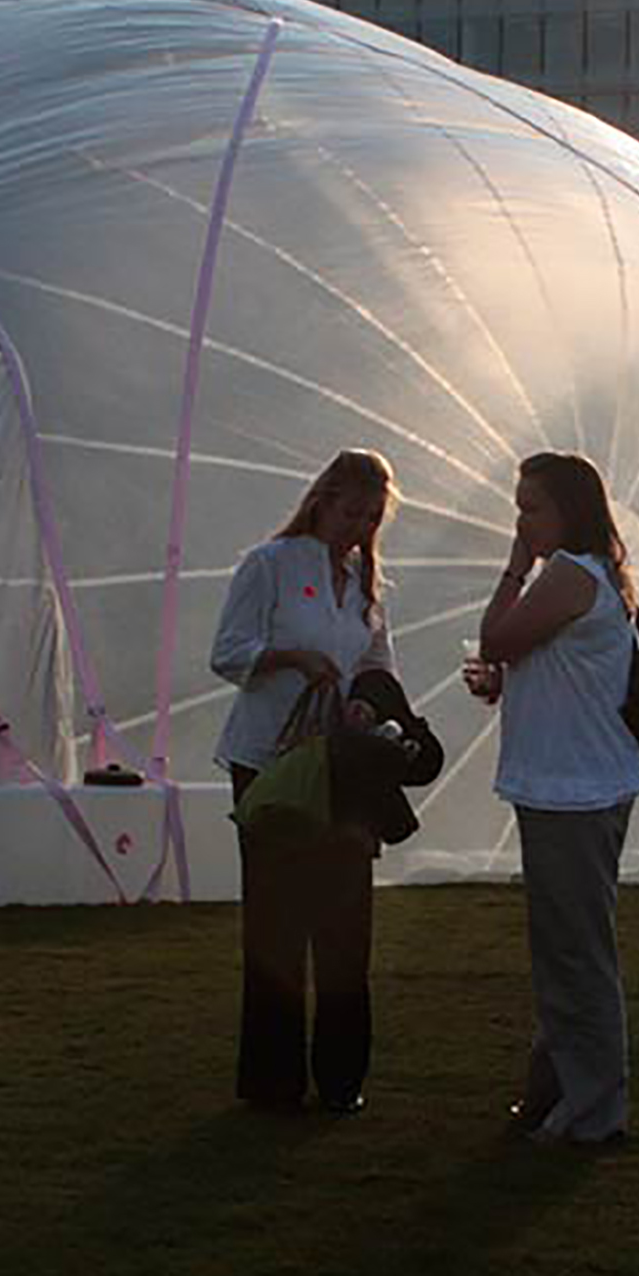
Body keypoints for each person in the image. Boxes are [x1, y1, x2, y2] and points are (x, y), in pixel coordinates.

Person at [210, 450, 400, 1113]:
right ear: (323, 500)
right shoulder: (270, 564)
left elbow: (378, 664)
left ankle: (343, 1078)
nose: (358, 526)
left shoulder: (363, 580)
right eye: (351, 511)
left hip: (340, 764)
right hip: (271, 760)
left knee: (347, 923)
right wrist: (294, 658)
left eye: (371, 517)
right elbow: (227, 651)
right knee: (276, 926)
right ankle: (272, 1081)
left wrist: (366, 703)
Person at [464, 451, 639, 1147]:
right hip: (568, 783)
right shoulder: (584, 575)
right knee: (562, 949)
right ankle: (552, 1092)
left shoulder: (568, 573)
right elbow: (541, 663)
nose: (521, 520)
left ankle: (594, 1110)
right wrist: (505, 683)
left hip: (576, 788)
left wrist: (513, 566)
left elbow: (498, 636)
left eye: (532, 507)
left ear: (569, 510)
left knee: (576, 954)